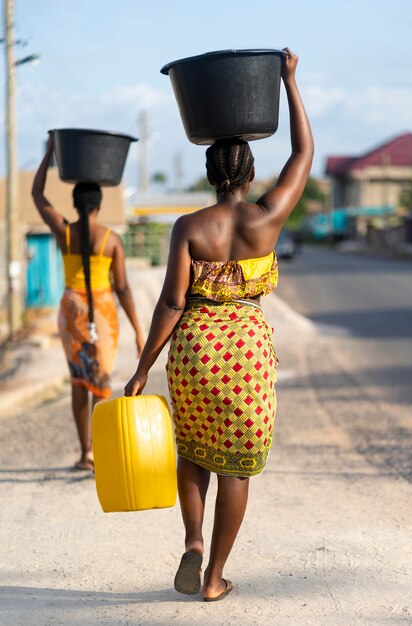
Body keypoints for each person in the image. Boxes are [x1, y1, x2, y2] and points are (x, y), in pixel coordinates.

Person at [124, 47, 313, 600]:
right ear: (252, 173)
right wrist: (289, 81)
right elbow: (304, 151)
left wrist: (141, 369)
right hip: (247, 352)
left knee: (193, 448)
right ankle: (213, 579)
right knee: (237, 467)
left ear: (209, 173)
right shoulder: (269, 217)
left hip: (196, 351)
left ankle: (192, 541)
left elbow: (171, 302)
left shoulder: (187, 226)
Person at [32, 135, 145, 471]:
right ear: (98, 206)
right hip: (104, 313)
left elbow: (37, 195)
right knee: (101, 381)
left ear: (75, 204)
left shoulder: (64, 232)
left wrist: (52, 150)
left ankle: (86, 453)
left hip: (71, 312)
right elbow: (123, 289)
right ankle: (102, 450)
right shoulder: (111, 240)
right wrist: (140, 330)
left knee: (79, 380)